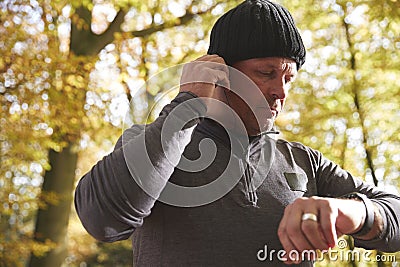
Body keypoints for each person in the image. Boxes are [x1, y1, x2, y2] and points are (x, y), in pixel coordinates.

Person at [74, 0, 400, 266]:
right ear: (222, 74)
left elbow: (395, 214)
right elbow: (100, 218)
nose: (280, 92)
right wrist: (188, 104)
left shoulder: (303, 161)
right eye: (266, 73)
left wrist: (354, 212)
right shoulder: (153, 142)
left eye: (289, 78)